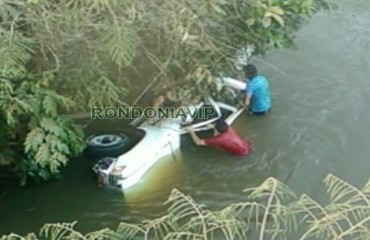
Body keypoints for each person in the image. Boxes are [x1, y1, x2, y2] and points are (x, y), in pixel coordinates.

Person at [186, 119, 252, 156]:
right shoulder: (229, 128)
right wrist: (213, 126)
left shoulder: (219, 139)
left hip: (241, 153)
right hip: (247, 146)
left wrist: (191, 131)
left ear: (218, 132)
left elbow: (198, 143)